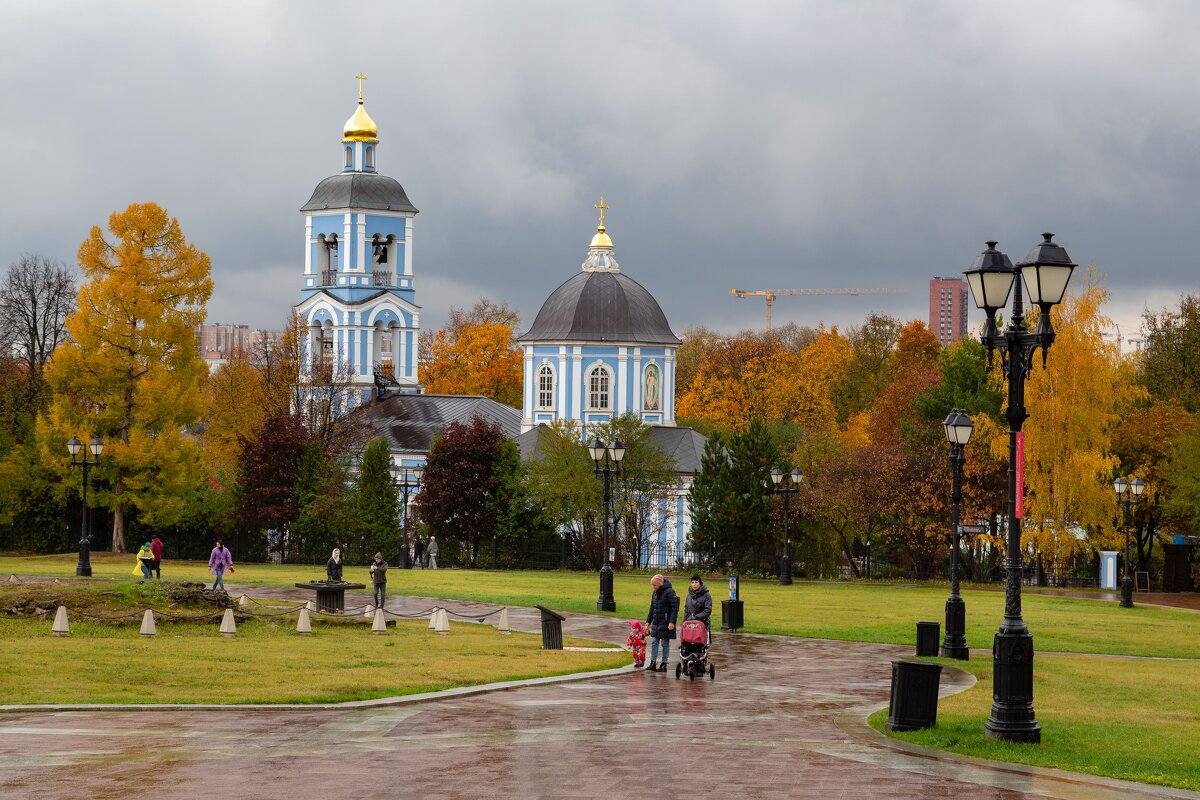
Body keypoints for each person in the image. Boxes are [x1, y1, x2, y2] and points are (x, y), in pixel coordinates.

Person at [645, 574, 679, 672]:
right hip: (656, 622)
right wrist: (648, 622)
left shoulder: (670, 592)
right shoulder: (654, 593)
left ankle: (664, 664)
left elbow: (674, 608)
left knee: (665, 643)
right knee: (654, 642)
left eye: (655, 585)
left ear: (660, 584)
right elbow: (652, 608)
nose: (653, 587)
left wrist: (672, 622)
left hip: (666, 622)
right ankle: (653, 662)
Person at [683, 574, 712, 644]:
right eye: (692, 582)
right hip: (689, 622)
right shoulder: (689, 596)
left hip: (702, 621)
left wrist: (696, 617)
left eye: (696, 582)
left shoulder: (706, 595)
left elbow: (707, 610)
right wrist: (684, 621)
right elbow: (686, 609)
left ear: (700, 583)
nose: (694, 584)